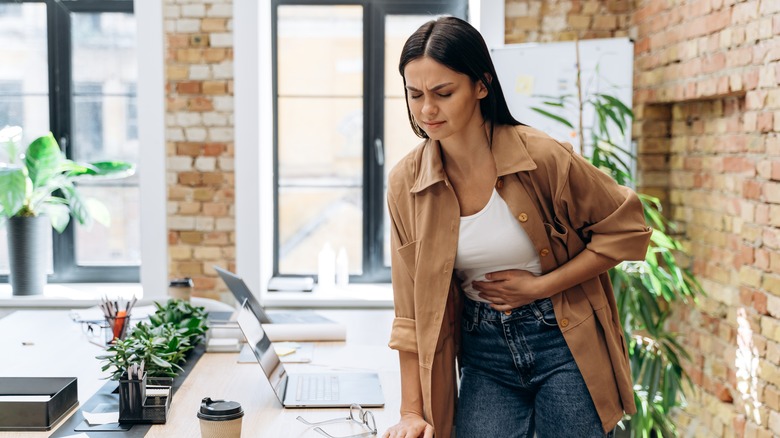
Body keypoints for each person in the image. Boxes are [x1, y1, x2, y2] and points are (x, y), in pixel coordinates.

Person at [382, 16, 652, 438]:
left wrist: (541, 287)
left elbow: (627, 229)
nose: (426, 110)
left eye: (443, 93)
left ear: (481, 85)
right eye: (414, 94)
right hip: (483, 350)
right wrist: (410, 412)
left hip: (564, 342)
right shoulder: (407, 184)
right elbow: (410, 313)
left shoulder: (542, 158)